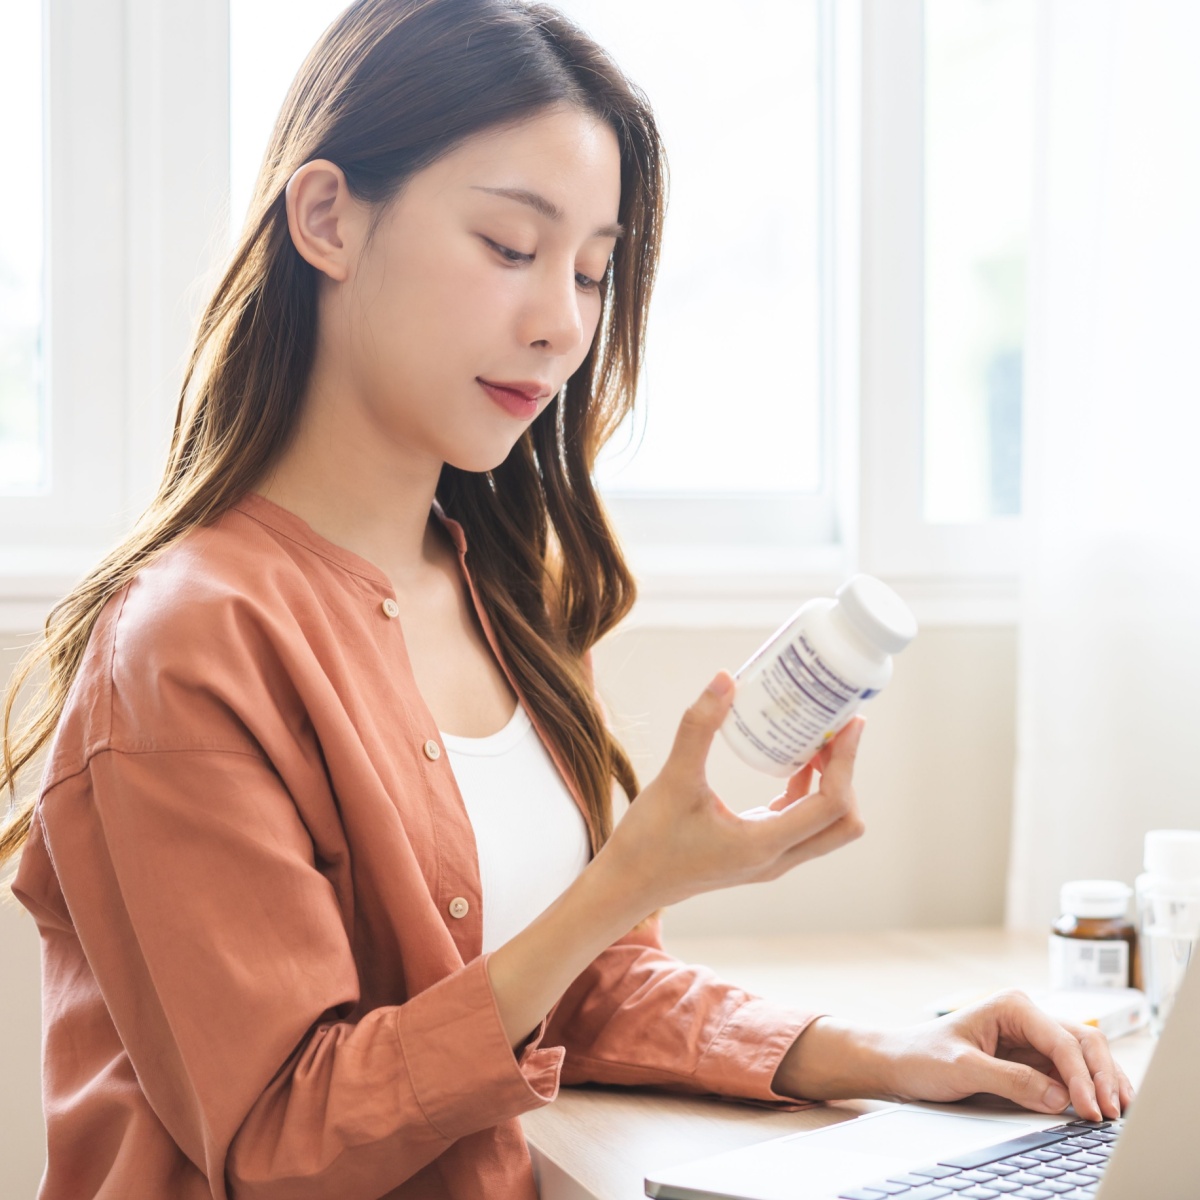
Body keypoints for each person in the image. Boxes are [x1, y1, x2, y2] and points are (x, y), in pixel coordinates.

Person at [0, 1, 1133, 1196]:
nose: (561, 325)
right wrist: (628, 881)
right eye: (508, 247)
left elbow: (578, 987)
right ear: (327, 217)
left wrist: (893, 1052)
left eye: (593, 271)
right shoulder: (187, 644)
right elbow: (286, 1141)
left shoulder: (505, 595)